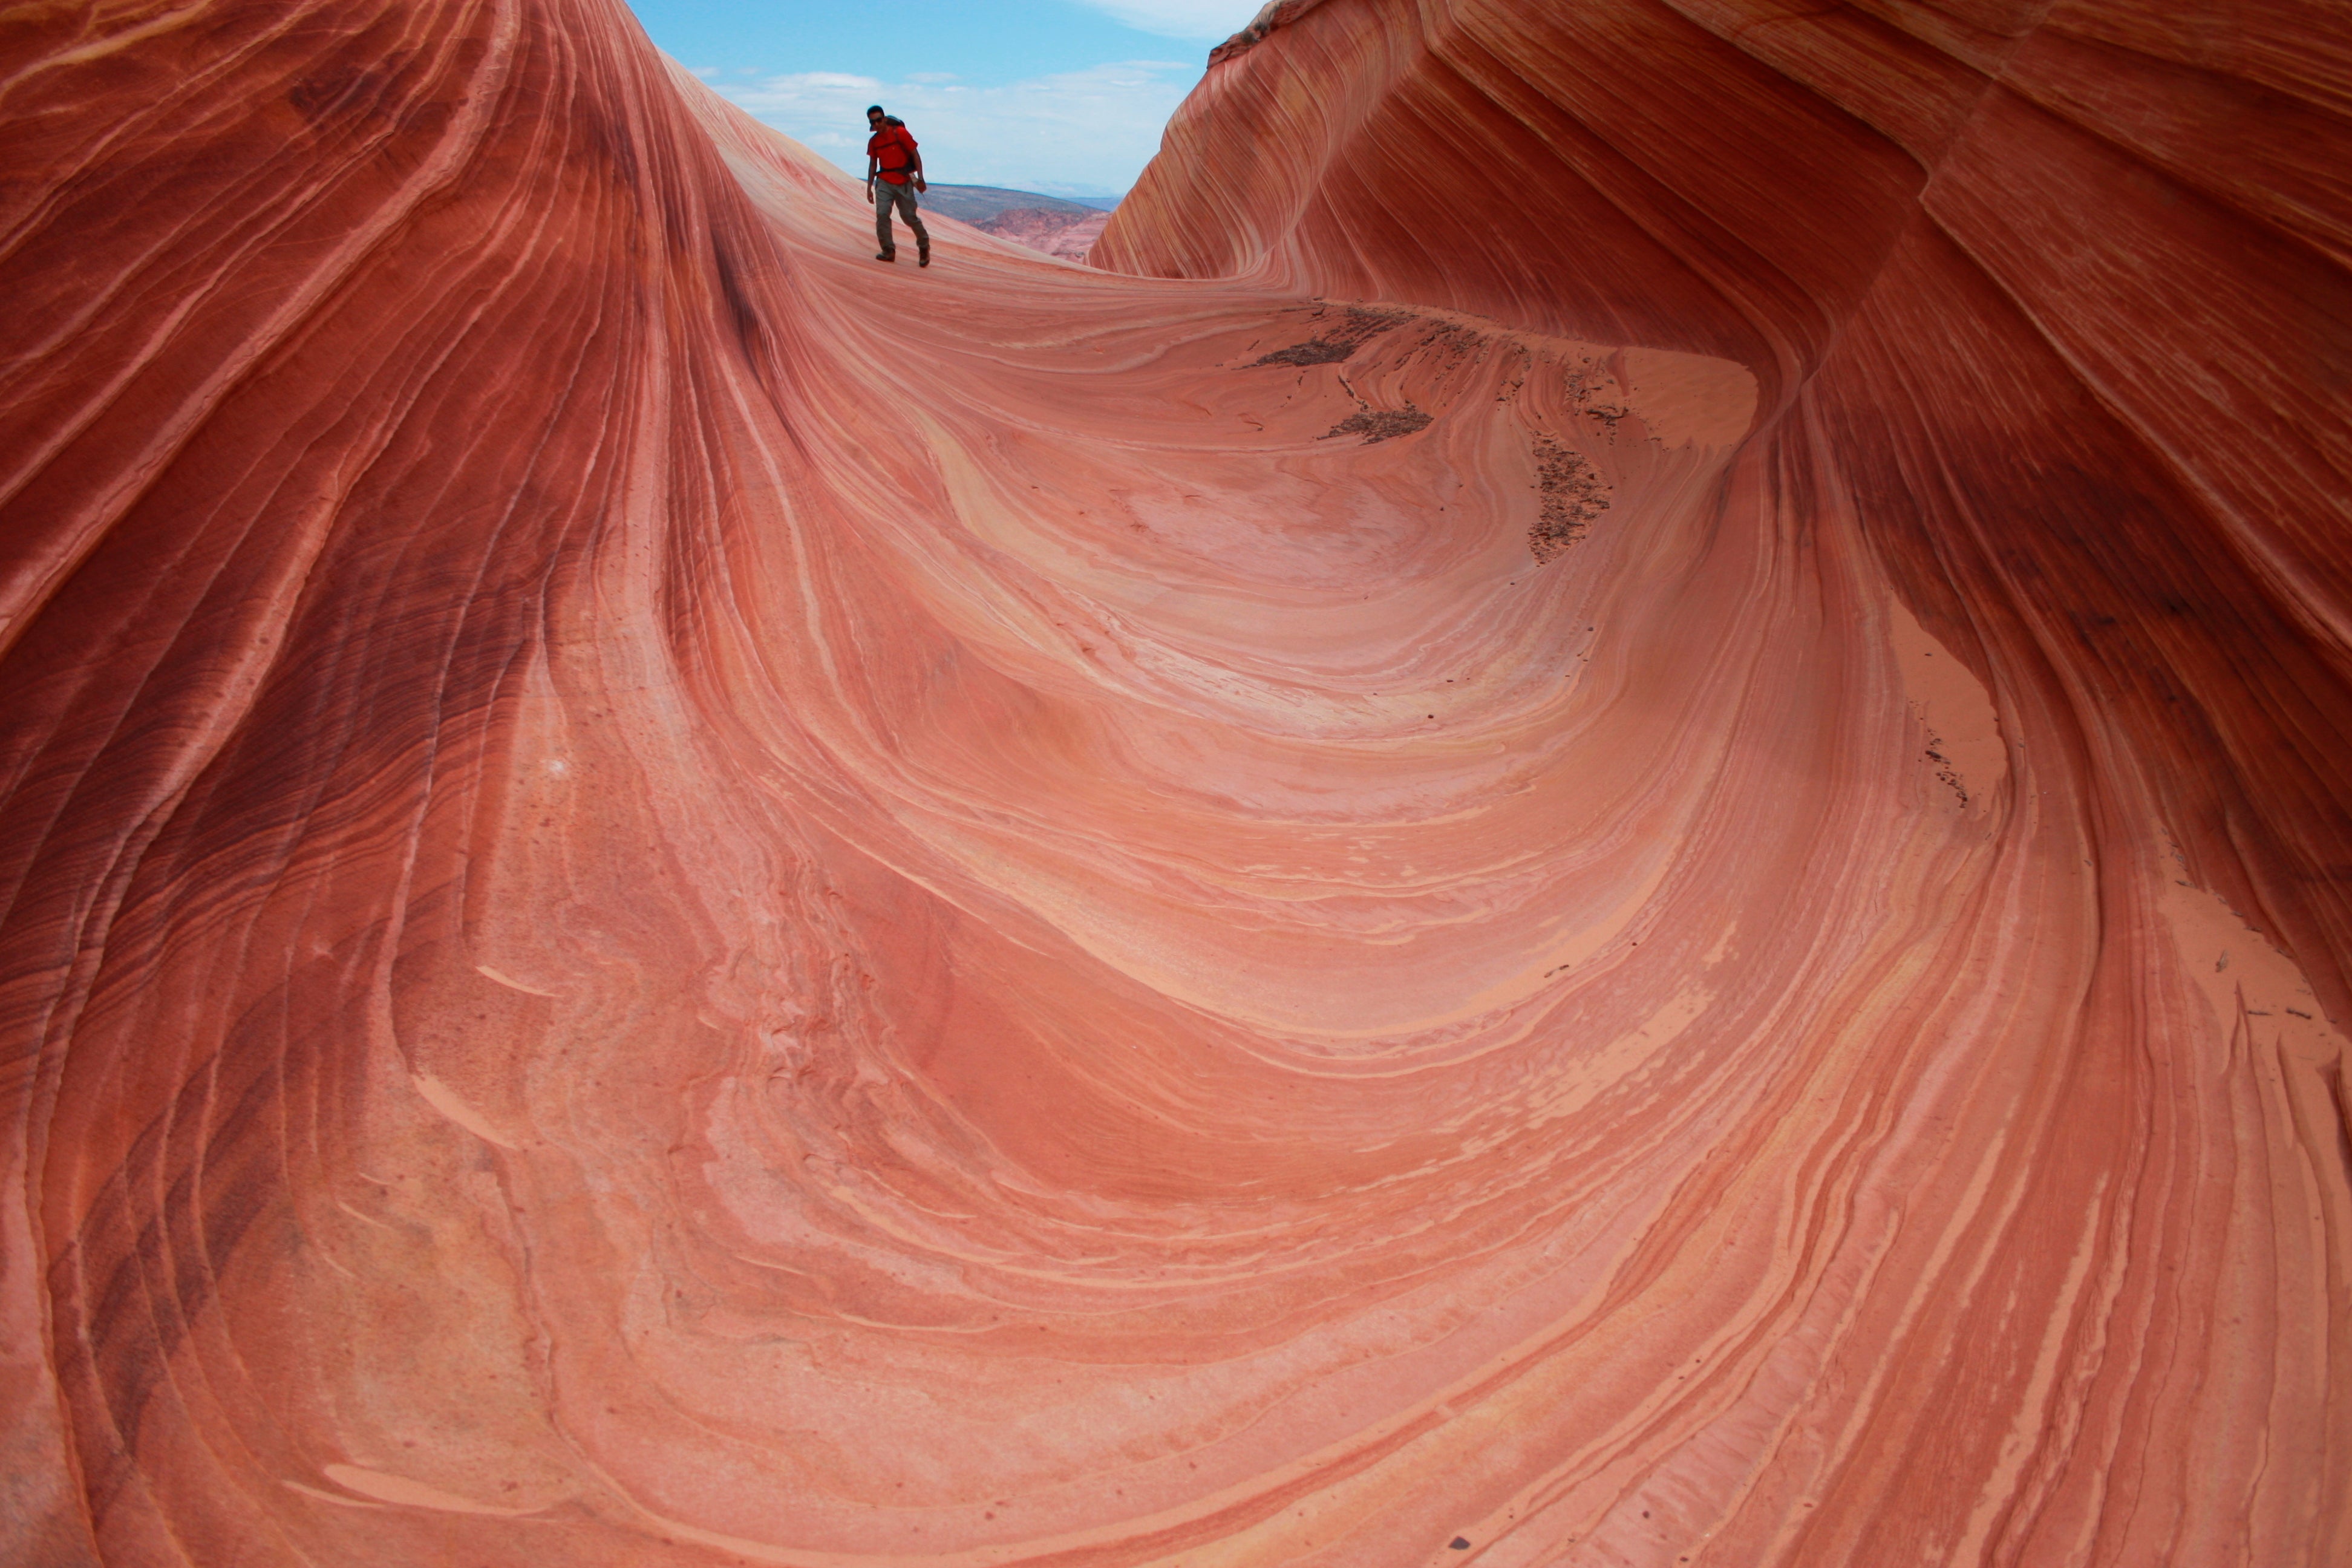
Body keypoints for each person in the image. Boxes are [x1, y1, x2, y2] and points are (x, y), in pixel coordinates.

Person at [864, 105, 929, 266]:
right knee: (883, 214)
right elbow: (873, 164)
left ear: (884, 119)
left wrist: (920, 178)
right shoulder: (874, 142)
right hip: (884, 181)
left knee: (909, 217)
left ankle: (924, 246)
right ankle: (888, 251)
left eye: (879, 120)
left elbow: (915, 154)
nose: (877, 124)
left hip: (903, 180)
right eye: (873, 122)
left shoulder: (900, 133)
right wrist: (869, 187)